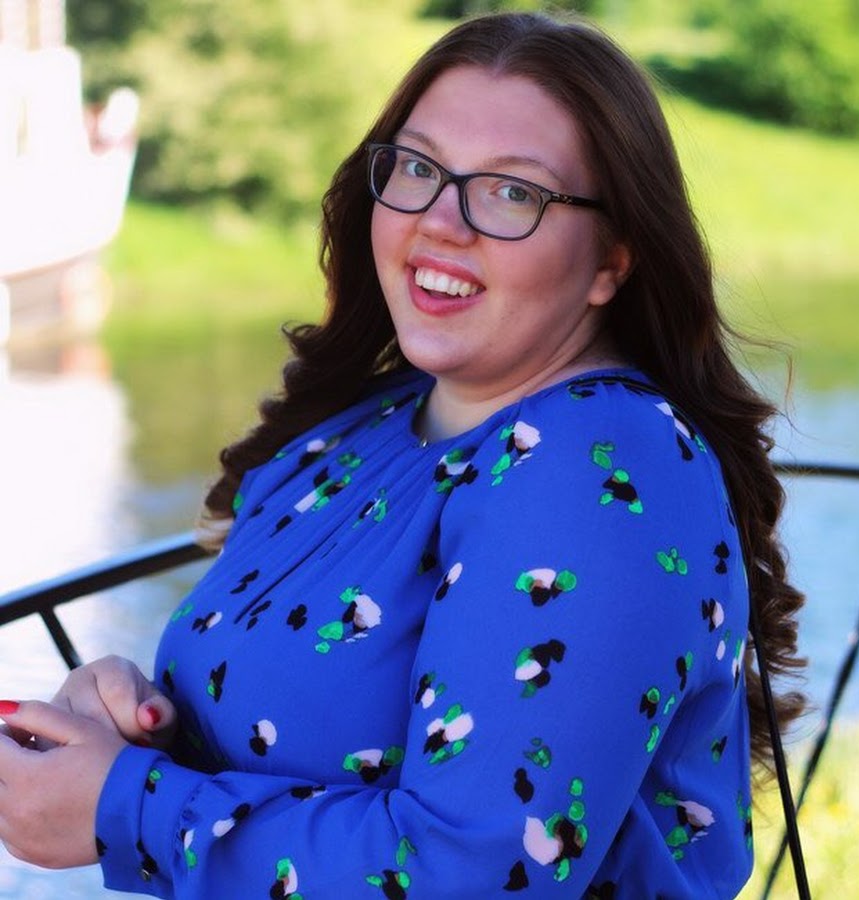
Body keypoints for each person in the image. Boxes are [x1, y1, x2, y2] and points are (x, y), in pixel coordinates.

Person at [0, 11, 805, 898]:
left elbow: (478, 874)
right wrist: (135, 733)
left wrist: (129, 807)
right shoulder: (364, 429)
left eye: (512, 192)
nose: (441, 223)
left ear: (613, 259)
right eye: (418, 169)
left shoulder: (600, 465)